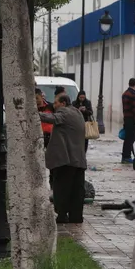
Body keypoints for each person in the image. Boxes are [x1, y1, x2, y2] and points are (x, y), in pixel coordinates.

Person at [40, 93, 87, 224]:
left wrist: (32, 113)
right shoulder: (77, 113)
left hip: (66, 160)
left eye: (55, 103)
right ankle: (76, 216)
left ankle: (62, 215)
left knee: (62, 189)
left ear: (63, 103)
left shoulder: (64, 113)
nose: (53, 105)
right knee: (77, 190)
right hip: (79, 160)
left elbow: (51, 118)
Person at [122, 78, 135, 163]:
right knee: (131, 138)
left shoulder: (125, 94)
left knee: (127, 138)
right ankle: (127, 156)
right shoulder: (133, 95)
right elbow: (134, 109)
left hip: (126, 119)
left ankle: (125, 156)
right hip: (132, 120)